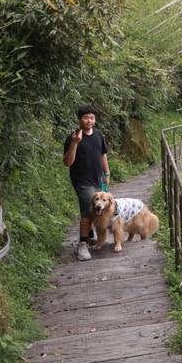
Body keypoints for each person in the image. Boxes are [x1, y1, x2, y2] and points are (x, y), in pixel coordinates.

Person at [63, 105, 111, 261]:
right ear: (79, 119)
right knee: (87, 210)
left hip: (97, 179)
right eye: (85, 118)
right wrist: (75, 143)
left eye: (92, 118)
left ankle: (90, 235)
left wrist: (107, 173)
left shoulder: (98, 134)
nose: (89, 121)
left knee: (96, 209)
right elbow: (67, 162)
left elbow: (103, 154)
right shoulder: (73, 137)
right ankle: (82, 244)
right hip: (82, 181)